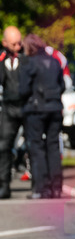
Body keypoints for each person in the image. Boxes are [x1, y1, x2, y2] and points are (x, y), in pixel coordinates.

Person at [17, 34, 65, 199]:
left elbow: (23, 89)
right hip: (55, 108)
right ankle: (56, 187)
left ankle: (40, 188)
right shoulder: (54, 62)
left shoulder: (29, 64)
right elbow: (62, 85)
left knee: (36, 148)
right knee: (53, 147)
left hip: (35, 110)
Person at [0, 26, 24, 199]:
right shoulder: (1, 59)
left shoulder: (28, 58)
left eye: (19, 42)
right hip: (8, 107)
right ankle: (4, 185)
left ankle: (40, 186)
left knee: (35, 144)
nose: (18, 46)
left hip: (28, 106)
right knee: (3, 146)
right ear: (5, 43)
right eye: (14, 44)